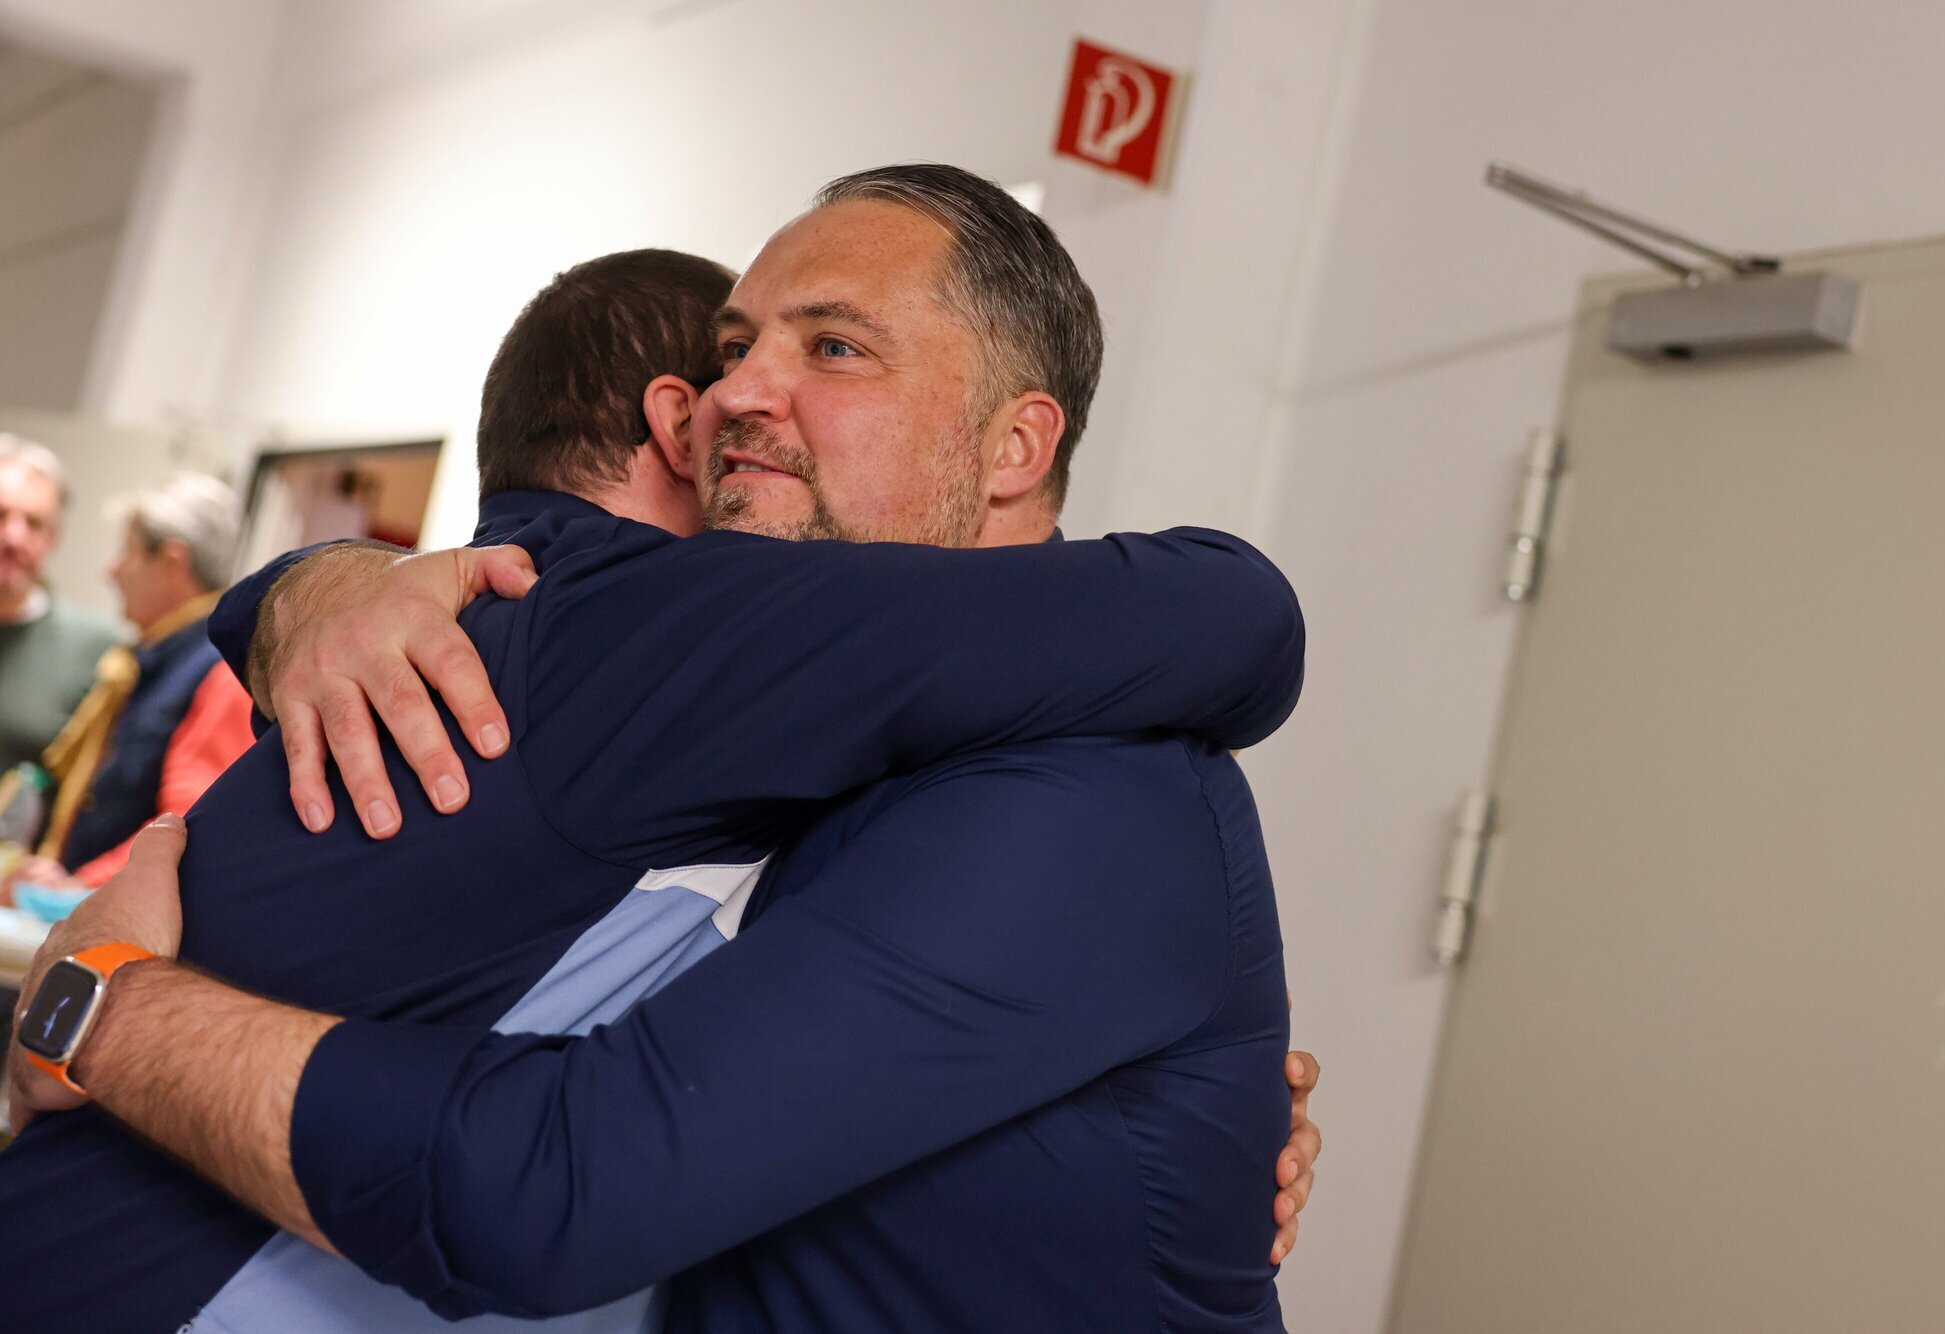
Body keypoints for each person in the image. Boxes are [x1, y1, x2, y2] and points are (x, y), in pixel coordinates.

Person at [3, 215, 1316, 1332]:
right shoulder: (683, 665)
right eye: (733, 349)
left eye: (833, 346)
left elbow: (1235, 618)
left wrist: (97, 1002)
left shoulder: (1073, 789)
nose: (740, 393)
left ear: (1016, 446)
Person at [1, 474, 253, 902]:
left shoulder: (220, 671)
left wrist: (78, 886)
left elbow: (189, 821)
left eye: (128, 553)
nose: (112, 570)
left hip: (116, 915)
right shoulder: (148, 659)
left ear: (171, 561)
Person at [0, 436, 120, 777]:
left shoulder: (98, 648)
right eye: (1, 515)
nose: (13, 538)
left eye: (34, 523)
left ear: (53, 539)